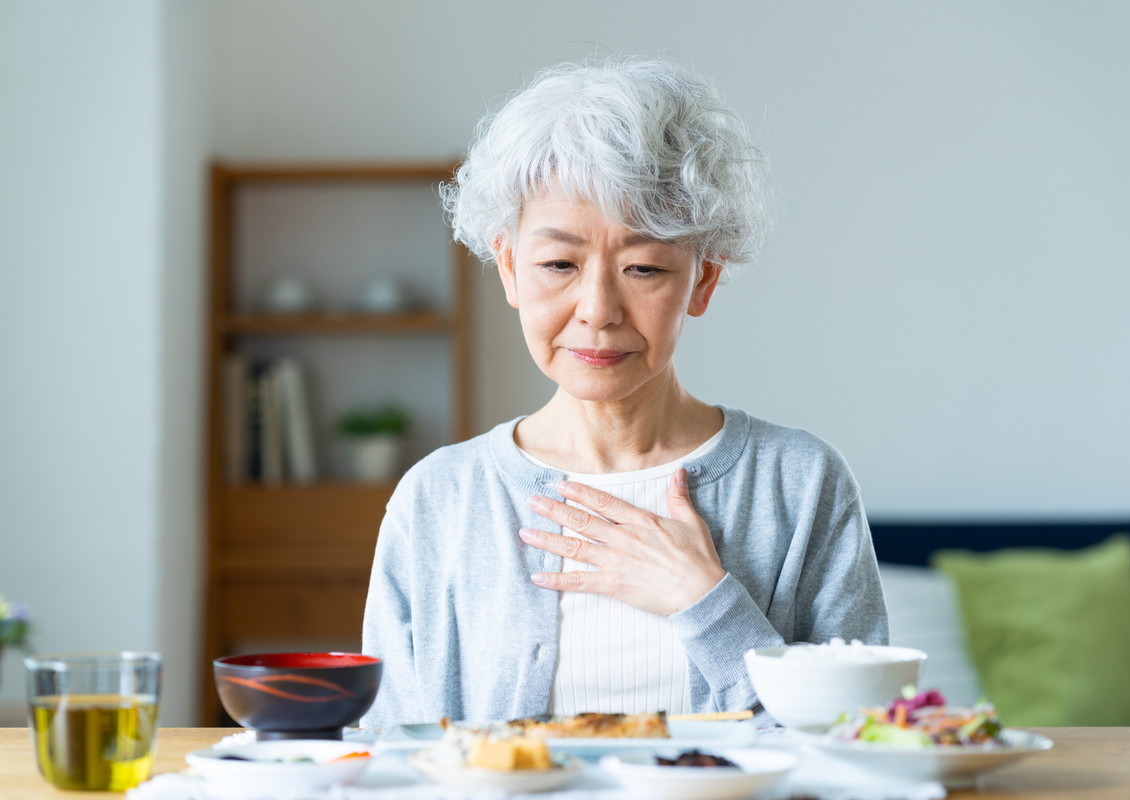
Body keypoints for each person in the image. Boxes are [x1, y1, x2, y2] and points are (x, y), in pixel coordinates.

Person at [361, 56, 887, 728]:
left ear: (702, 280)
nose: (597, 309)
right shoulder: (441, 499)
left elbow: (867, 745)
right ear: (511, 269)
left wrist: (707, 602)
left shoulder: (800, 483)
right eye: (559, 264)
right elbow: (394, 753)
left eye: (643, 267)